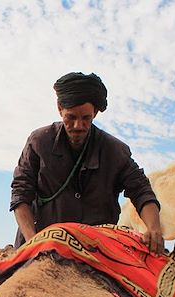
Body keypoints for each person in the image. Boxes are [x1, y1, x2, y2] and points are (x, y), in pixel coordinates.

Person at [10, 72, 164, 253]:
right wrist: (33, 241)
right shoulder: (38, 142)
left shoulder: (115, 151)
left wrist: (154, 228)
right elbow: (21, 192)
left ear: (95, 113)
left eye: (85, 118)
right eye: (71, 117)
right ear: (60, 108)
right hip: (40, 245)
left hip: (94, 251)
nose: (78, 126)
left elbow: (141, 190)